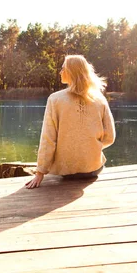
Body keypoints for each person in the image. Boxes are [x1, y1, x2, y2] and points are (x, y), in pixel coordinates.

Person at [25, 55, 116, 189]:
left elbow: (48, 139)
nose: (60, 72)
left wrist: (40, 172)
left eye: (63, 69)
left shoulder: (55, 99)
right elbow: (110, 137)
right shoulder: (100, 99)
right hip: (93, 170)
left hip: (66, 172)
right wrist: (89, 148)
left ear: (72, 72)